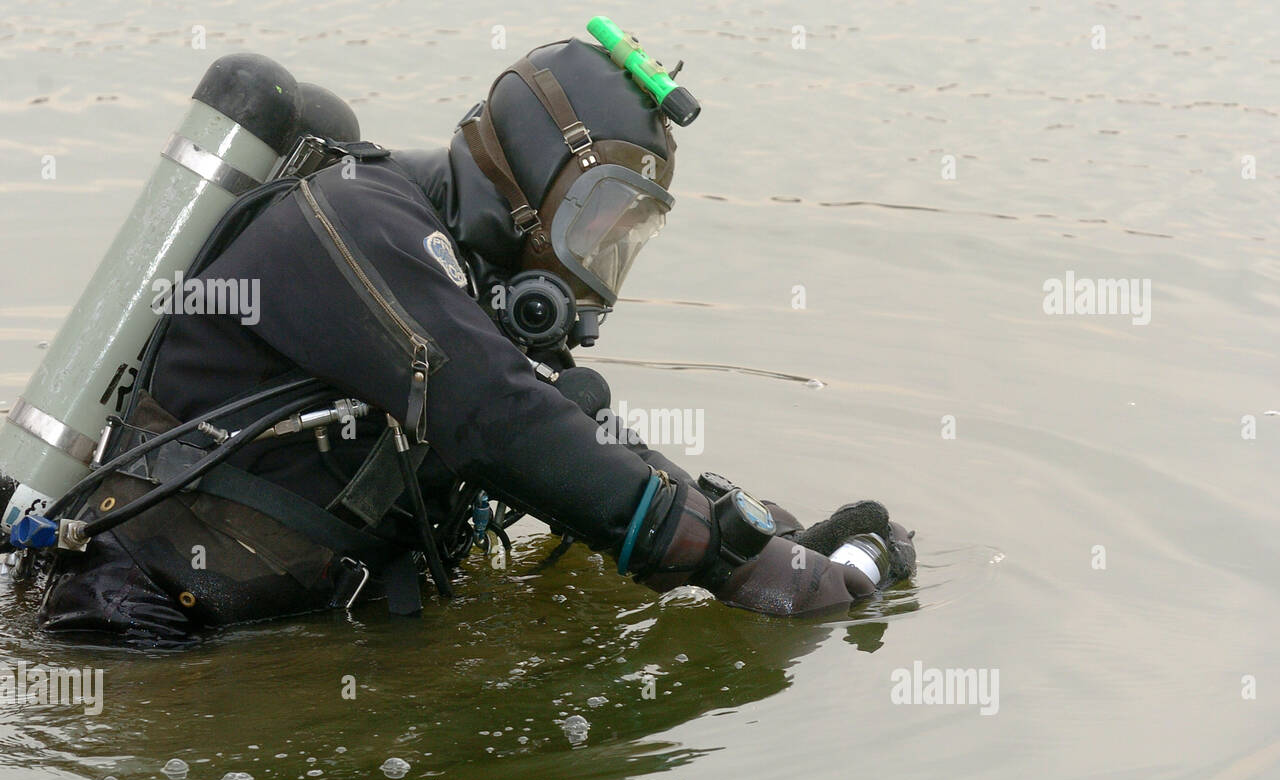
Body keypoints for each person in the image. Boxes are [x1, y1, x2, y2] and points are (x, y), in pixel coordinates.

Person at [35, 35, 915, 644]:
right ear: (529, 178)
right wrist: (751, 571)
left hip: (266, 621)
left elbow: (565, 432)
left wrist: (768, 531)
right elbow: (499, 420)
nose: (599, 258)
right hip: (129, 628)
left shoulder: (460, 269)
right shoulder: (359, 223)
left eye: (627, 234)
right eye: (595, 218)